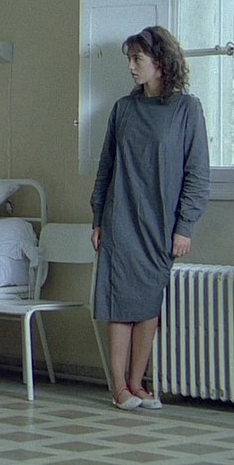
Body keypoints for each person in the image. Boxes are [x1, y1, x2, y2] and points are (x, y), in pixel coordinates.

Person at [91, 25, 210, 410]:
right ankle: (118, 388)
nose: (131, 66)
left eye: (137, 59)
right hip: (120, 219)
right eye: (129, 59)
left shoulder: (187, 110)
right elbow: (106, 167)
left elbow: (197, 174)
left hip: (161, 224)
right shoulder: (123, 110)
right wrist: (98, 219)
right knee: (119, 304)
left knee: (149, 304)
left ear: (160, 62)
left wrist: (185, 227)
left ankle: (137, 383)